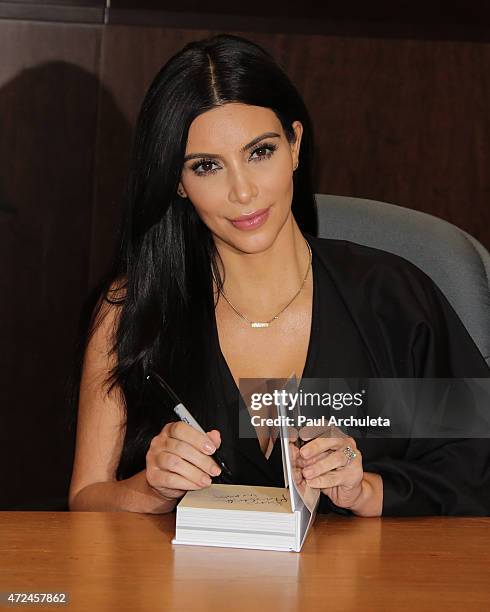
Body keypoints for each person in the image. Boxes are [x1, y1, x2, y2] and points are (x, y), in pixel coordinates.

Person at [67, 33, 490, 517]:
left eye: (260, 152)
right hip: (186, 592)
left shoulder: (392, 300)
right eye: (206, 167)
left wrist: (368, 490)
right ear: (178, 184)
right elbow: (86, 500)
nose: (243, 192)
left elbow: (475, 465)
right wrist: (151, 489)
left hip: (368, 591)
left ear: (294, 145)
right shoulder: (135, 307)